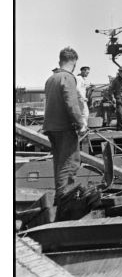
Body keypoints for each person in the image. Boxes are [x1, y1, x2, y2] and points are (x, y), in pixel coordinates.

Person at [43, 47, 87, 209]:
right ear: (74, 63)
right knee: (70, 162)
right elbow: (71, 103)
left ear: (60, 60)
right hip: (64, 127)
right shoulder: (68, 78)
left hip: (51, 127)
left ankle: (60, 195)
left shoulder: (51, 78)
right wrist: (80, 123)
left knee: (59, 163)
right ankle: (65, 199)